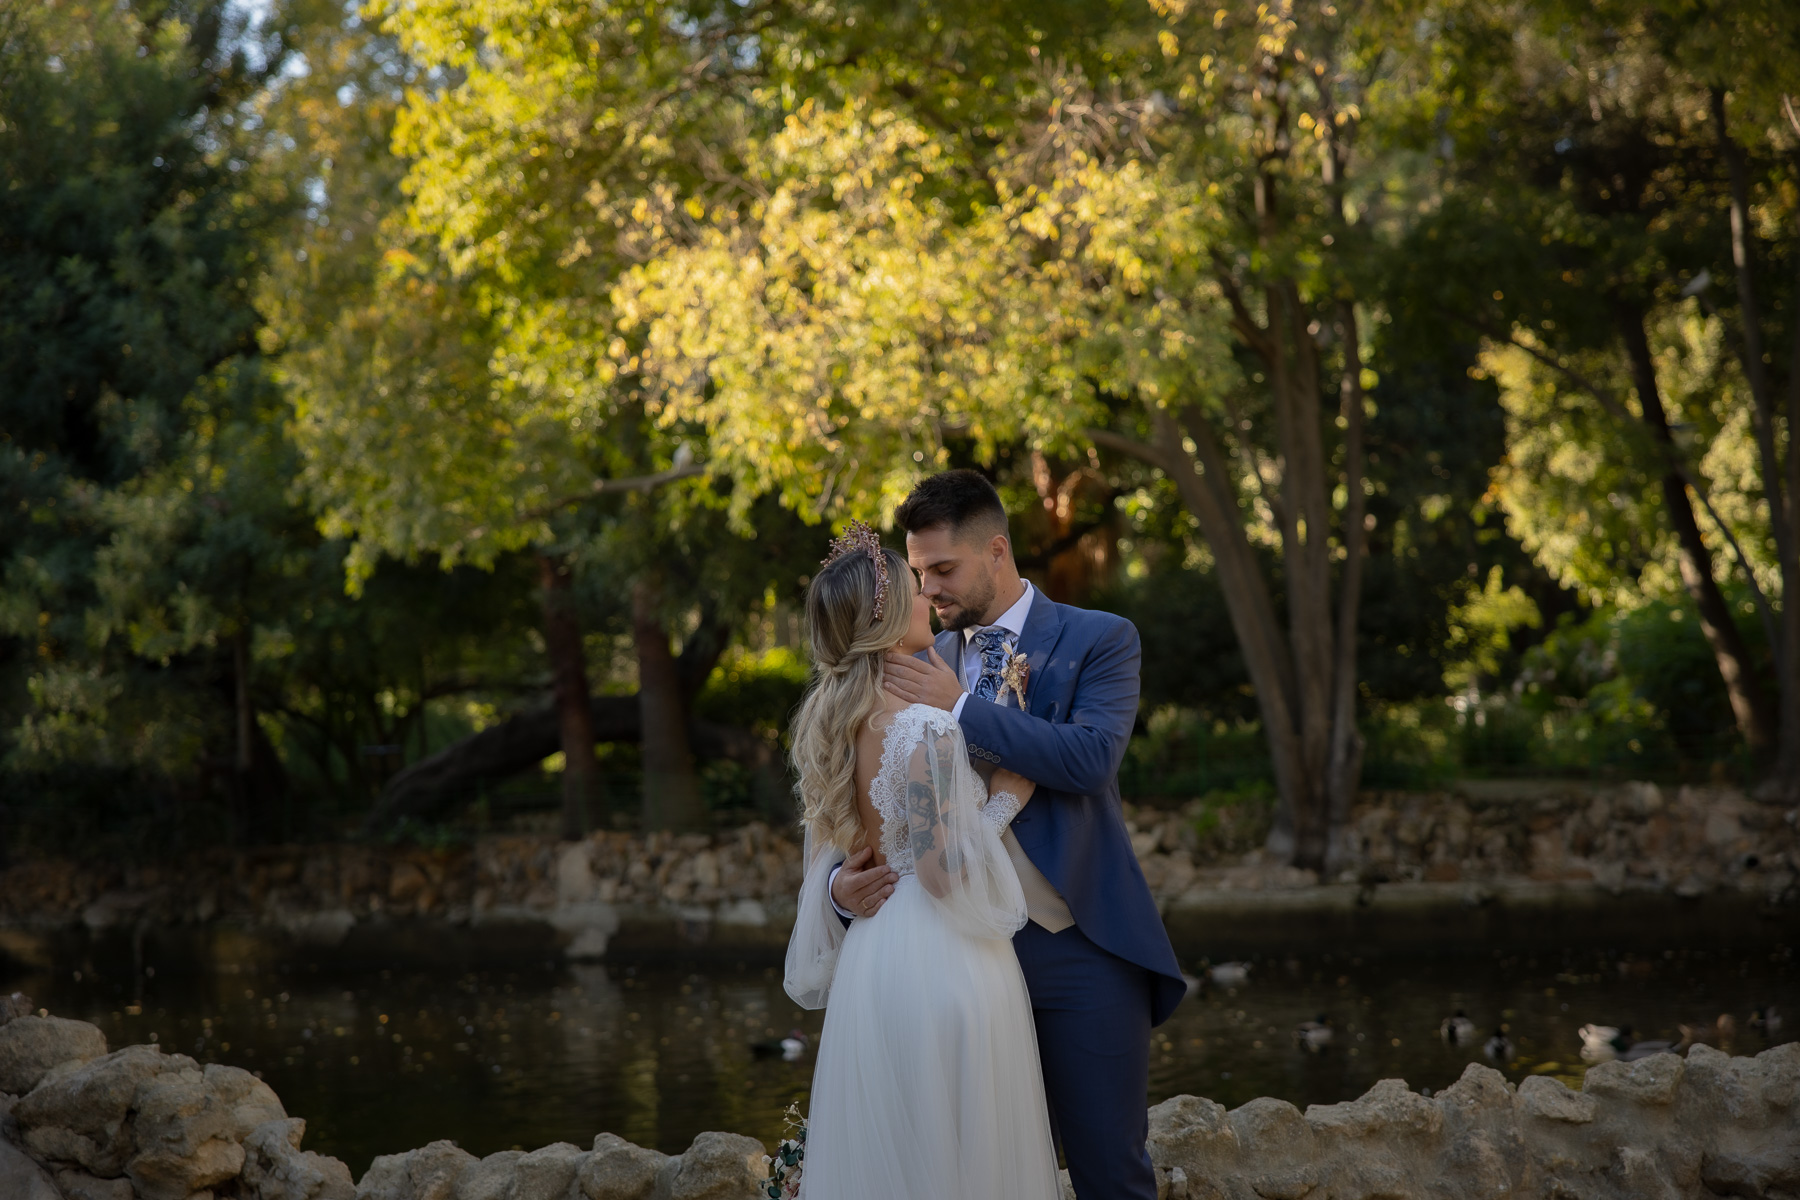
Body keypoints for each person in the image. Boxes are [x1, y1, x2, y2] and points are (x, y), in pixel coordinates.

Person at [834, 470, 1186, 1200]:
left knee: (1109, 1170)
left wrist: (962, 706)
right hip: (953, 960)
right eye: (918, 571)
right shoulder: (916, 651)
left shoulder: (1100, 639)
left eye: (942, 570)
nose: (926, 590)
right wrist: (836, 887)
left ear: (995, 550)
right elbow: (861, 792)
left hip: (1077, 949)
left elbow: (1090, 759)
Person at [784, 520, 1063, 1200]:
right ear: (884, 615)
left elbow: (842, 848)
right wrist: (1004, 802)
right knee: (961, 1153)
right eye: (913, 591)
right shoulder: (925, 725)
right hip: (943, 958)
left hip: (875, 961)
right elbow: (941, 874)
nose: (927, 602)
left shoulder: (833, 720)